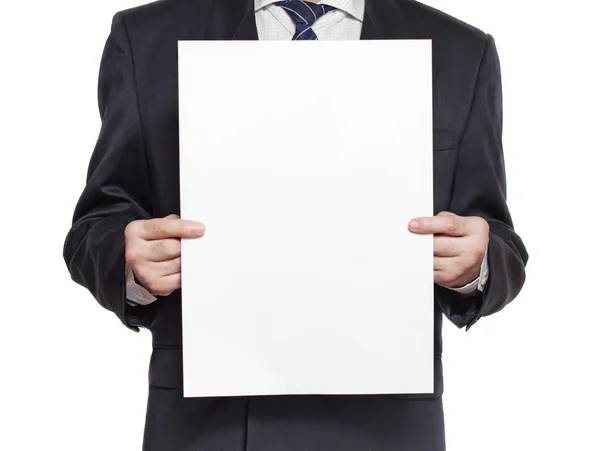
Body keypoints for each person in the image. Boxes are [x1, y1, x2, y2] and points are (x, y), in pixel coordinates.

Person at [63, 0, 528, 449]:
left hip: (389, 423)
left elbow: (500, 239)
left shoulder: (460, 50)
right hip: (207, 424)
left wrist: (477, 264)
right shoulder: (147, 38)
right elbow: (97, 223)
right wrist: (131, 262)